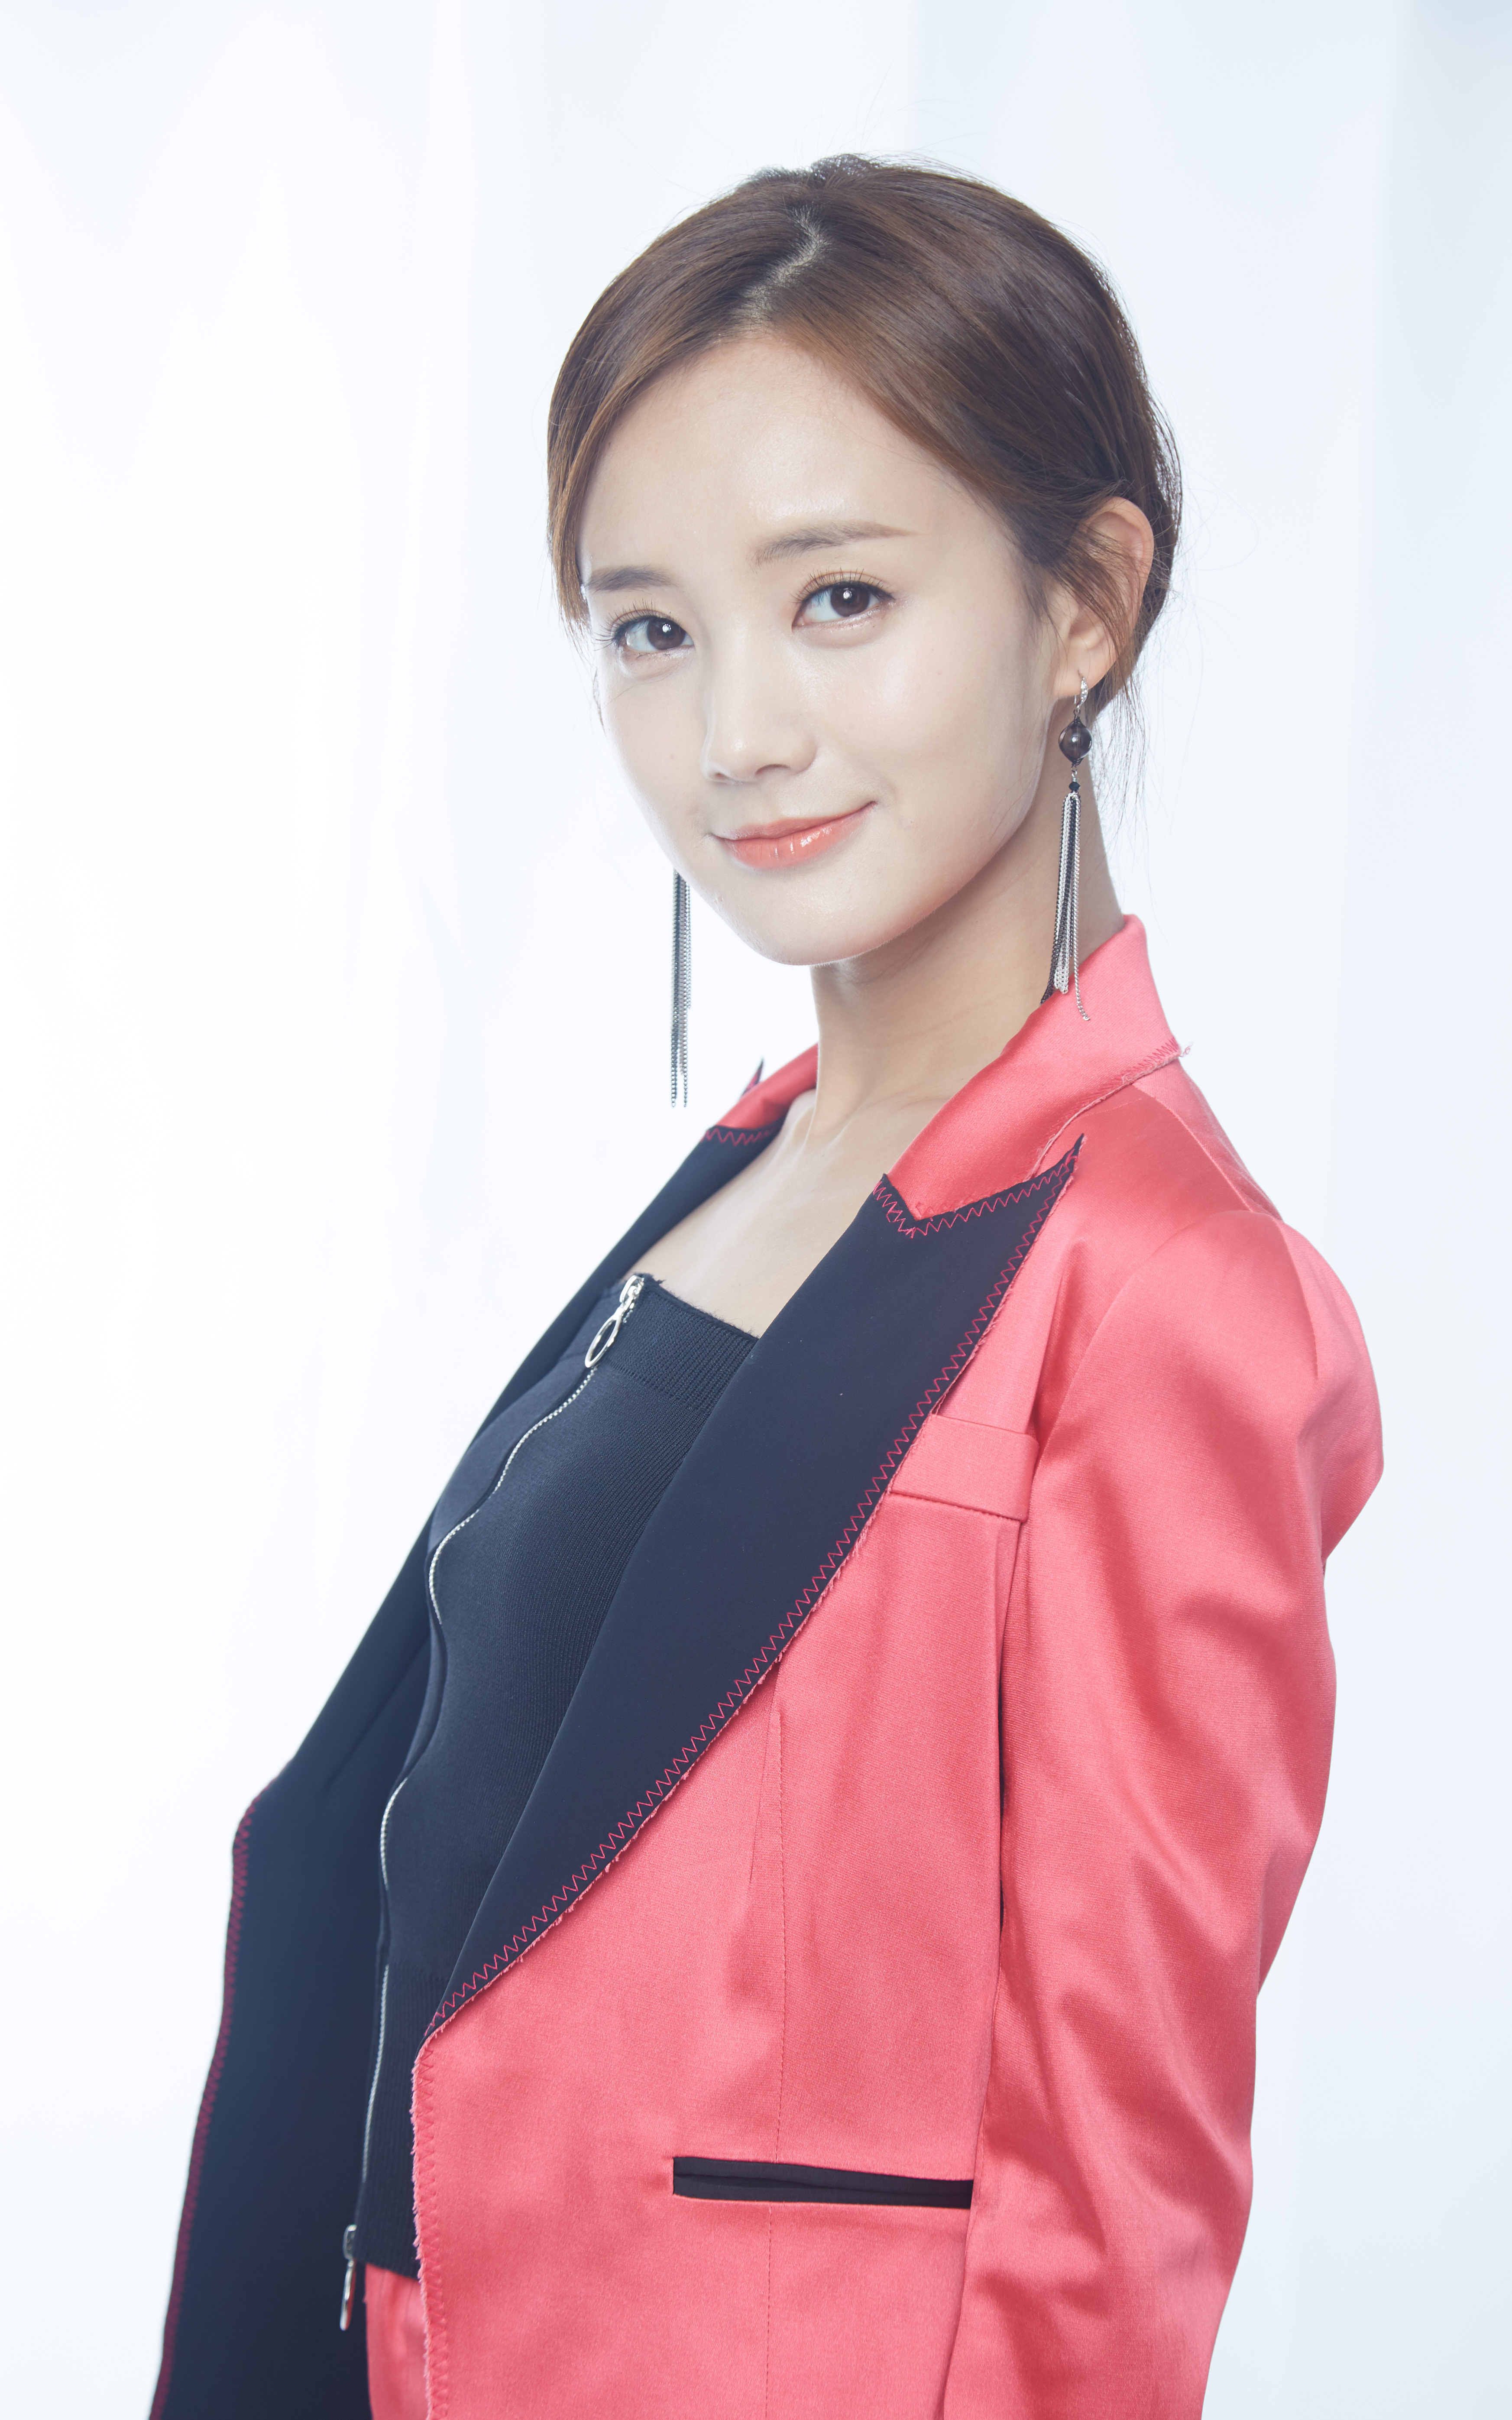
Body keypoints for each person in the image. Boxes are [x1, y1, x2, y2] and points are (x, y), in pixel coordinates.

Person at [150, 156, 1381, 2420]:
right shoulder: (754, 1165)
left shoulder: (1166, 1287)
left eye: (839, 598)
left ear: (1086, 603)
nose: (735, 733)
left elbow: (1112, 2210)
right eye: (652, 630)